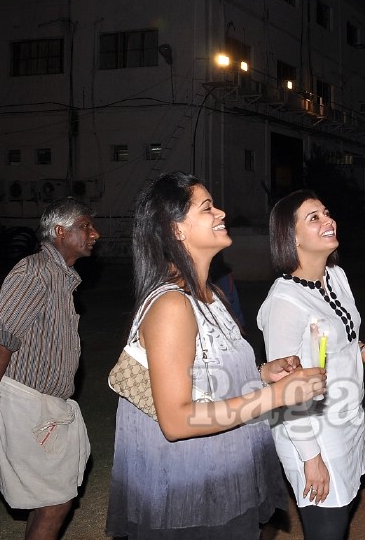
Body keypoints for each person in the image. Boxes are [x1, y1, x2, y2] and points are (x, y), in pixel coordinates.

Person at [106, 172, 326, 539]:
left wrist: (262, 373)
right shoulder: (172, 306)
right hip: (189, 487)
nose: (221, 212)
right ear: (176, 229)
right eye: (207, 207)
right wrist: (276, 396)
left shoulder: (210, 296)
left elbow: (202, 373)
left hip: (220, 469)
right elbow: (176, 421)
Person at [258, 190, 365, 540]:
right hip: (312, 431)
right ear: (291, 238)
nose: (328, 220)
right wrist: (310, 457)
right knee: (327, 529)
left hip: (346, 419)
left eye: (326, 212)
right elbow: (283, 388)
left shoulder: (336, 276)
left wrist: (360, 349)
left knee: (340, 519)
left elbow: (338, 334)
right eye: (313, 217)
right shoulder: (284, 300)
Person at [0, 197, 99, 540]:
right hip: (28, 406)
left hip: (47, 408)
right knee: (55, 502)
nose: (94, 233)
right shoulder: (34, 272)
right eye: (85, 226)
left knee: (53, 500)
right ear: (60, 231)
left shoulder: (60, 278)